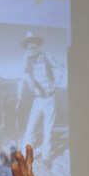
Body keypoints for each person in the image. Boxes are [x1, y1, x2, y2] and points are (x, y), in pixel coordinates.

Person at [16, 32, 62, 167]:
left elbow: (61, 66)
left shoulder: (46, 56)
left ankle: (47, 157)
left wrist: (55, 84)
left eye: (33, 43)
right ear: (26, 47)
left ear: (36, 44)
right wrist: (19, 96)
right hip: (37, 99)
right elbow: (20, 76)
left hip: (50, 98)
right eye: (28, 44)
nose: (31, 46)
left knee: (48, 129)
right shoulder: (25, 59)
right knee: (30, 128)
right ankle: (25, 157)